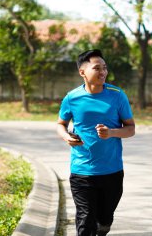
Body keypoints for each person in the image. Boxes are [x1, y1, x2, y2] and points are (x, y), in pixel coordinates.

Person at [56, 49, 135, 236]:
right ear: (82, 72)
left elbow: (131, 128)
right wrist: (66, 136)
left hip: (112, 171)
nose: (103, 72)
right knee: (85, 220)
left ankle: (103, 228)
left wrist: (111, 132)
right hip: (81, 171)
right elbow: (60, 124)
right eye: (97, 68)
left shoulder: (117, 95)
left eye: (105, 68)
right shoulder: (72, 98)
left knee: (105, 220)